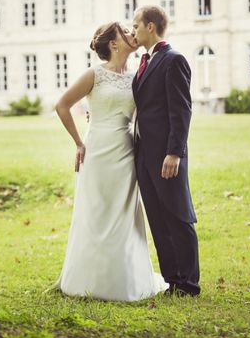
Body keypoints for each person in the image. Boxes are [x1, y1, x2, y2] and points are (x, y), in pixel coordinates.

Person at [54, 22, 168, 301]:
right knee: (96, 212)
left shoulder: (136, 77)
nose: (131, 34)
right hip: (97, 150)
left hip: (125, 151)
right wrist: (79, 142)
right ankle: (88, 279)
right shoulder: (95, 74)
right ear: (114, 44)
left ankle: (125, 278)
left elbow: (145, 112)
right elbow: (62, 105)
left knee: (124, 214)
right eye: (125, 32)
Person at [131, 5, 200, 297]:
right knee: (158, 219)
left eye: (135, 26)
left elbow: (181, 111)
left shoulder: (174, 60)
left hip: (167, 156)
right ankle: (173, 279)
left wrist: (174, 153)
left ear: (150, 26)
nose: (132, 31)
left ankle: (189, 283)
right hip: (144, 155)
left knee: (177, 216)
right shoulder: (145, 61)